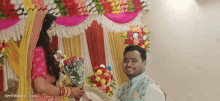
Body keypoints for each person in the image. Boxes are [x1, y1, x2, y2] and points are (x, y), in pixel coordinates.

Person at [31, 13, 84, 101]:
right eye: (50, 28)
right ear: (42, 31)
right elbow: (40, 86)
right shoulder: (38, 51)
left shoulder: (43, 51)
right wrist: (68, 91)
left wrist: (72, 88)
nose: (52, 32)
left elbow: (50, 85)